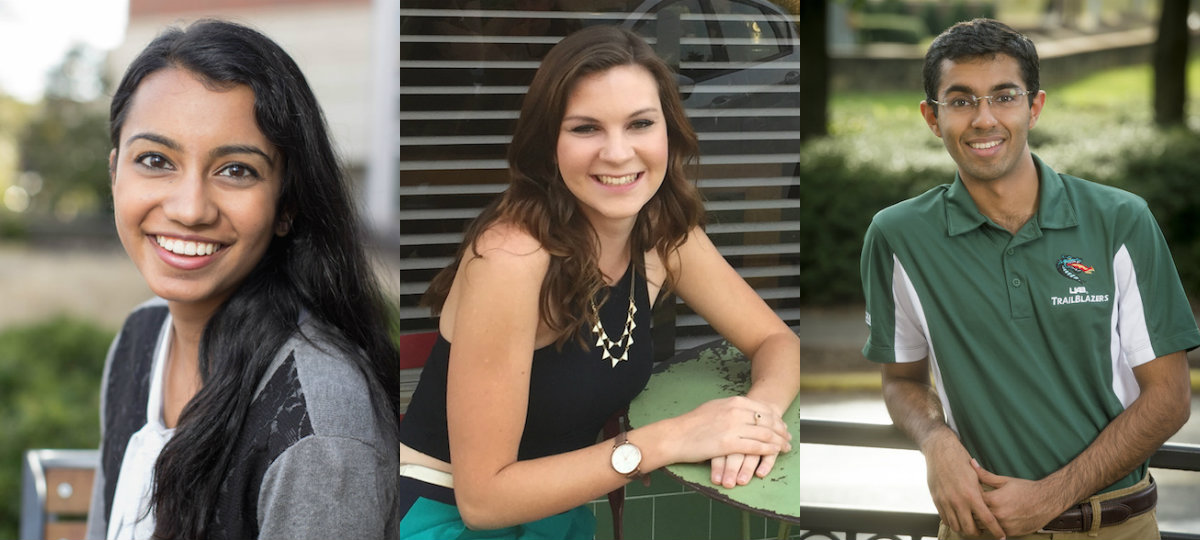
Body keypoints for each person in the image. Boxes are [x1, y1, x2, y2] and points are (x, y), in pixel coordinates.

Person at [397, 25, 799, 538]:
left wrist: (754, 420)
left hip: (560, 508)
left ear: (668, 132)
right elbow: (484, 500)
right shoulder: (512, 259)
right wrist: (673, 438)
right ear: (549, 144)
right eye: (586, 128)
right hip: (445, 512)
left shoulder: (659, 232)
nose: (617, 153)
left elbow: (775, 340)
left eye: (640, 124)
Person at [860, 18, 1198, 540]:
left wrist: (1050, 497)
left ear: (1034, 107)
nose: (983, 119)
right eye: (961, 100)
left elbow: (1171, 397)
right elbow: (902, 381)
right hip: (981, 528)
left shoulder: (1120, 220)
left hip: (1115, 527)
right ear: (932, 116)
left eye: (1003, 96)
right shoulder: (897, 236)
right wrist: (934, 439)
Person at [85, 20, 400, 540]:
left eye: (236, 170)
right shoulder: (137, 342)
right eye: (156, 160)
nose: (189, 209)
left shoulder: (318, 425)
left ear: (287, 205)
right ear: (115, 172)